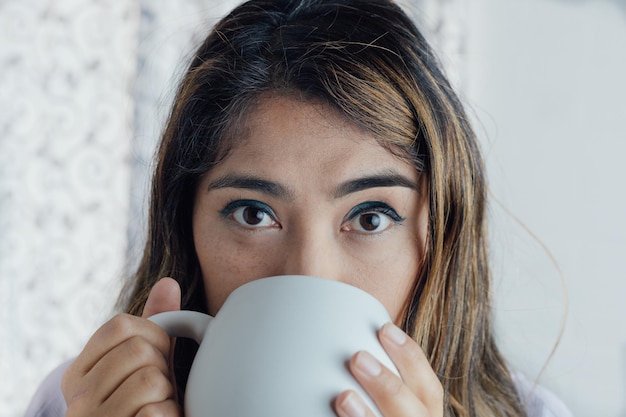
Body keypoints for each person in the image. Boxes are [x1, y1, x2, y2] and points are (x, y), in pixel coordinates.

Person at [25, 0, 573, 416]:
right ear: (184, 223)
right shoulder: (79, 401)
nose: (310, 272)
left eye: (370, 217)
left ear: (441, 234)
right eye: (253, 214)